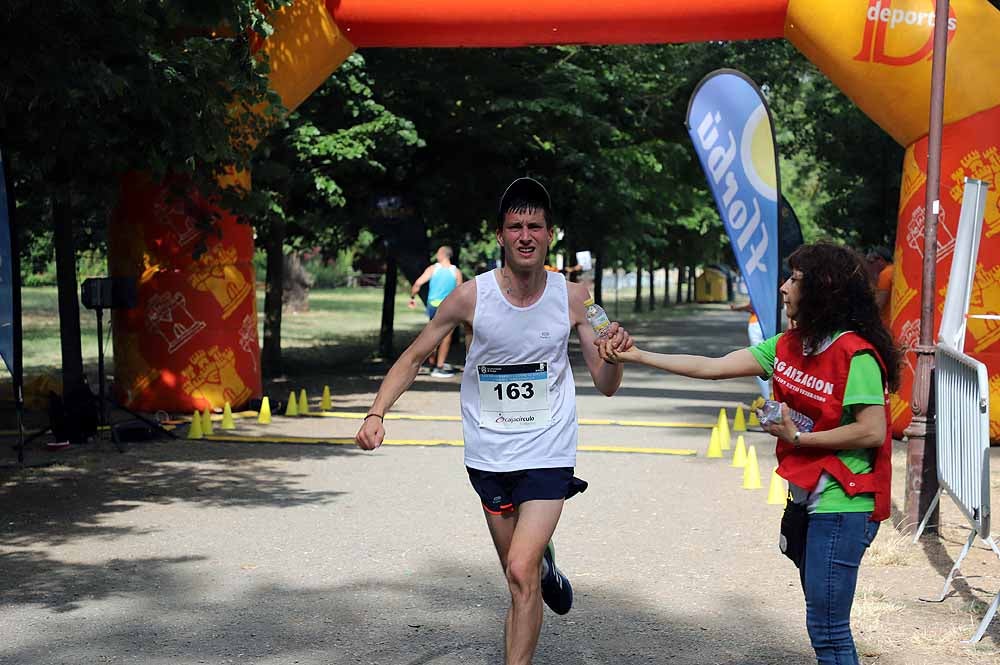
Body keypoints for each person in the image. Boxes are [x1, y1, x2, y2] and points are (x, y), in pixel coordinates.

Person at [356, 177, 633, 665]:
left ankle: (535, 579)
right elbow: (416, 356)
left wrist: (614, 355)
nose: (526, 235)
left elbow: (606, 381)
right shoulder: (469, 297)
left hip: (549, 450)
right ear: (501, 235)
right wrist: (377, 412)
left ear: (551, 235)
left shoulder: (579, 297)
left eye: (536, 226)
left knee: (519, 570)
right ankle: (546, 568)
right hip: (489, 455)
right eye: (515, 226)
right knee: (518, 574)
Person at [600, 242, 899, 665]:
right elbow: (711, 366)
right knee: (823, 626)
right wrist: (636, 354)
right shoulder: (787, 345)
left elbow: (872, 430)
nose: (782, 288)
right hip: (806, 498)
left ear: (823, 289)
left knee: (828, 630)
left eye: (794, 279)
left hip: (843, 503)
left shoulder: (855, 354)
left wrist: (799, 439)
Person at [410, 246, 463, 378]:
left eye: (438, 253)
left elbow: (417, 284)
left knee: (432, 334)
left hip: (433, 305)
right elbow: (460, 292)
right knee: (446, 336)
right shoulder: (456, 272)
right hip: (448, 307)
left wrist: (412, 298)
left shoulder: (433, 269)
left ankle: (432, 364)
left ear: (442, 255)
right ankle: (439, 366)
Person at [729, 301, 770, 401]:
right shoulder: (775, 288)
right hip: (770, 323)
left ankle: (768, 399)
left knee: (759, 361)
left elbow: (752, 306)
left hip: (756, 324)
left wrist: (737, 307)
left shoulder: (759, 286)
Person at [865, 246, 894, 328]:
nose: (869, 266)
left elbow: (878, 305)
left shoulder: (885, 274)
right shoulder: (895, 270)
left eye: (870, 262)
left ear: (880, 260)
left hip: (886, 325)